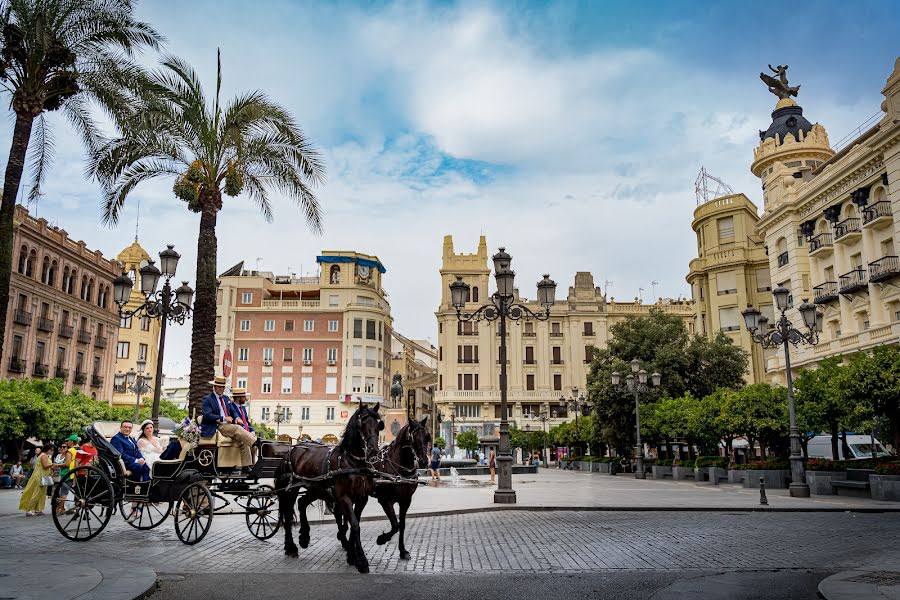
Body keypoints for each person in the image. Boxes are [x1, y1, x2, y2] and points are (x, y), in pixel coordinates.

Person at [201, 376, 255, 473]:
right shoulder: (208, 399)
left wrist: (237, 418)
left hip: (228, 426)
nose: (222, 389)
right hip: (218, 425)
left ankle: (246, 466)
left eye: (223, 387)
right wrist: (223, 418)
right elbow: (207, 415)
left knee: (243, 440)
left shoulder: (226, 399)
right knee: (237, 429)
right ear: (215, 387)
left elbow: (232, 411)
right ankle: (255, 443)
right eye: (220, 387)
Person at [19, 443, 54, 516]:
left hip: (43, 476)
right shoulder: (44, 455)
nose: (52, 451)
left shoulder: (43, 455)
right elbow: (45, 466)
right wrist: (53, 464)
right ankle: (30, 509)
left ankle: (38, 509)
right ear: (49, 449)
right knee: (37, 492)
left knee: (41, 493)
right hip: (40, 476)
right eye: (52, 449)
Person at [228, 388, 259, 464]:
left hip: (247, 432)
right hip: (238, 433)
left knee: (254, 446)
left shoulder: (243, 408)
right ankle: (247, 466)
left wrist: (252, 431)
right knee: (247, 443)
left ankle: (252, 465)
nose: (246, 398)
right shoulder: (231, 407)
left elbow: (247, 421)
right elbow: (235, 419)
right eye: (244, 396)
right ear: (239, 397)